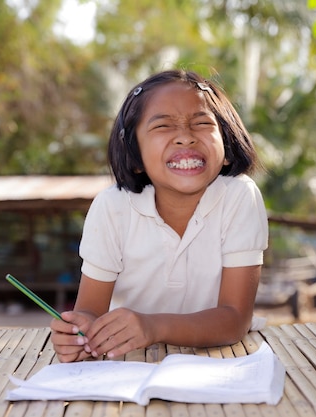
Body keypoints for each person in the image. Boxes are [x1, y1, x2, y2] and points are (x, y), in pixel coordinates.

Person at [50, 69, 268, 362]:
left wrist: (153, 326)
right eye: (163, 126)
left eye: (201, 123)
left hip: (222, 360)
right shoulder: (112, 208)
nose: (185, 138)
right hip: (130, 363)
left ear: (227, 148)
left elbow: (235, 319)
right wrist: (78, 332)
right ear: (136, 156)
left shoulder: (240, 197)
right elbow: (89, 311)